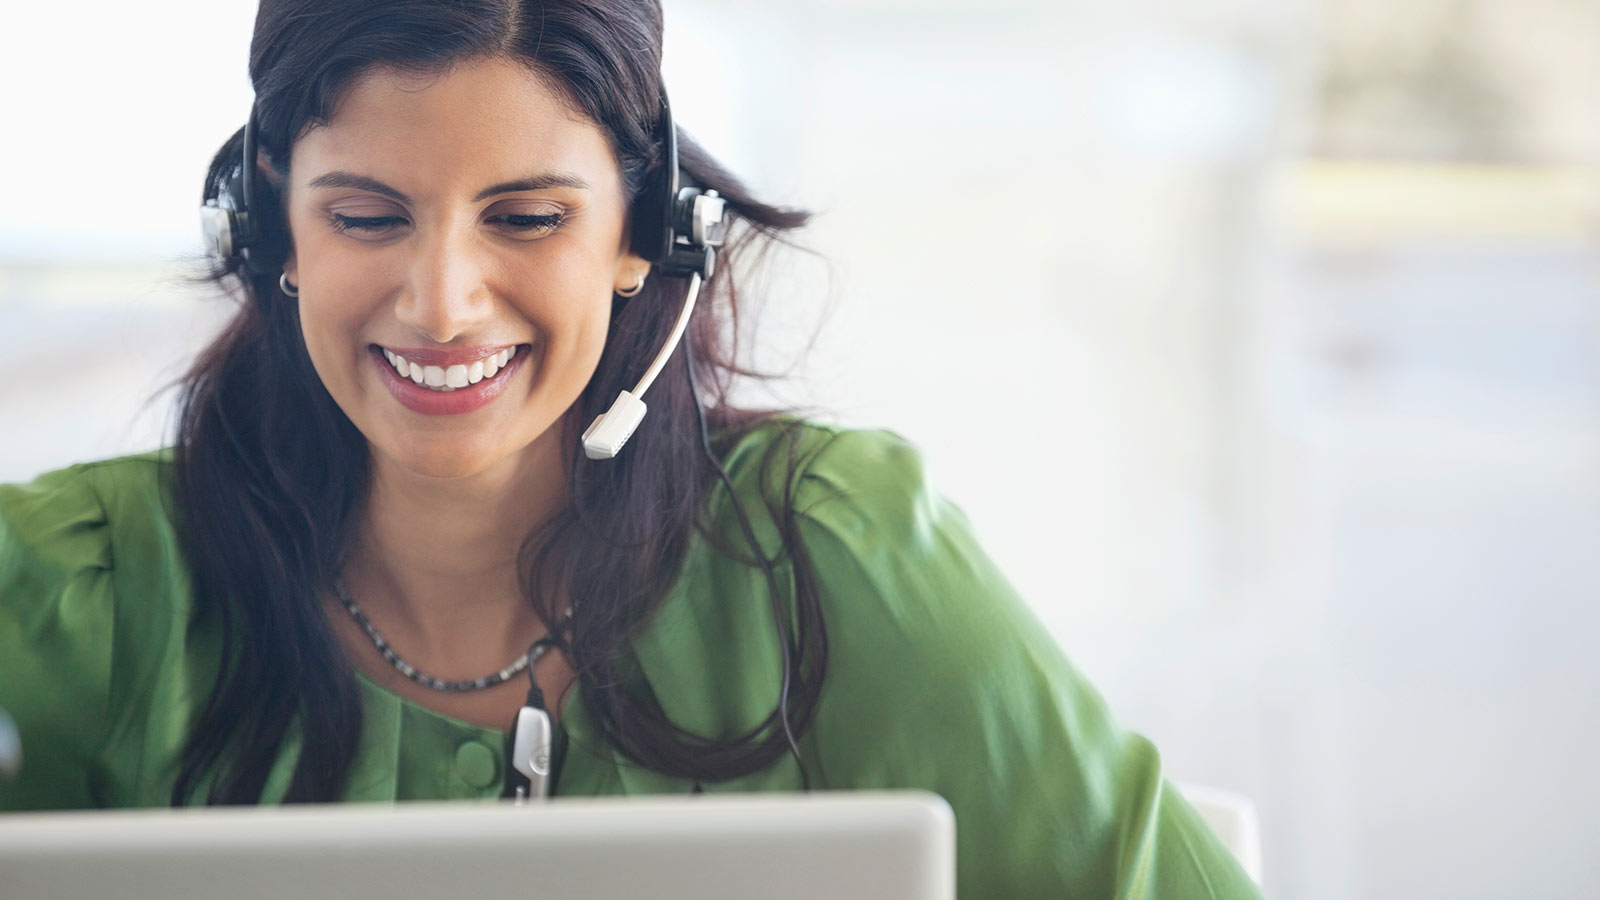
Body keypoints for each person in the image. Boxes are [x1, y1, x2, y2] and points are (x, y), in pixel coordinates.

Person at [0, 1, 1264, 896]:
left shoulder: (835, 554)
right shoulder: (67, 593)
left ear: (641, 230)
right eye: (369, 215)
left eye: (528, 217)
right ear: (274, 223)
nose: (442, 302)